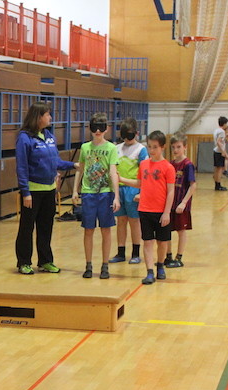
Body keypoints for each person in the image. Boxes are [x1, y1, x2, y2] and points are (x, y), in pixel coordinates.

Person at [14, 101, 78, 275]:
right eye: (47, 114)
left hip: (49, 189)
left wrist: (73, 165)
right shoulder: (24, 138)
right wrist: (25, 192)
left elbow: (55, 161)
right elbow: (22, 167)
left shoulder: (49, 136)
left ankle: (45, 261)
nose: (50, 117)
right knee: (27, 228)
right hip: (32, 191)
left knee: (46, 226)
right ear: (39, 117)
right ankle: (24, 262)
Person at [72, 112, 120, 279]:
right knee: (88, 230)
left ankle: (105, 265)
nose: (97, 131)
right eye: (94, 128)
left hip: (105, 193)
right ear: (90, 129)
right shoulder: (85, 148)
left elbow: (113, 172)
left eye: (100, 128)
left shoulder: (111, 148)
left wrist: (116, 196)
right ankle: (88, 265)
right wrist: (75, 190)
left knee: (106, 230)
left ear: (106, 129)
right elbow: (81, 169)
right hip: (88, 193)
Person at [124, 130, 175, 285]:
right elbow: (140, 183)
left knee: (162, 242)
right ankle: (149, 272)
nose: (151, 150)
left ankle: (160, 265)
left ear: (163, 147)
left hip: (161, 211)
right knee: (147, 241)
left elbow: (171, 191)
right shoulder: (144, 164)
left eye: (155, 147)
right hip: (145, 209)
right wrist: (122, 179)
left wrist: (166, 212)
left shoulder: (168, 167)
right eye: (149, 147)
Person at [110, 117, 148, 265]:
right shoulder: (117, 148)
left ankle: (135, 253)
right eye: (124, 136)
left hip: (133, 189)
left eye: (130, 136)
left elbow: (145, 173)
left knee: (134, 221)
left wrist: (141, 192)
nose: (126, 139)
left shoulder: (141, 149)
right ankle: (120, 252)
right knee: (121, 221)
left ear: (136, 133)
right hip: (119, 189)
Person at [164, 133, 196, 268]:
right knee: (166, 229)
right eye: (173, 147)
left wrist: (183, 202)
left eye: (178, 147)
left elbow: (193, 185)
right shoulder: (170, 164)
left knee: (181, 230)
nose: (175, 150)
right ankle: (168, 256)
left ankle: (179, 257)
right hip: (170, 203)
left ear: (185, 147)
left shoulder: (188, 165)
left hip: (181, 204)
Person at [212, 117, 228, 191]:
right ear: (224, 124)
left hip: (216, 150)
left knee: (217, 168)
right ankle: (218, 185)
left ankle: (216, 184)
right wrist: (223, 151)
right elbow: (219, 142)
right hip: (219, 151)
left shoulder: (216, 130)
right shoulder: (222, 131)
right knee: (220, 169)